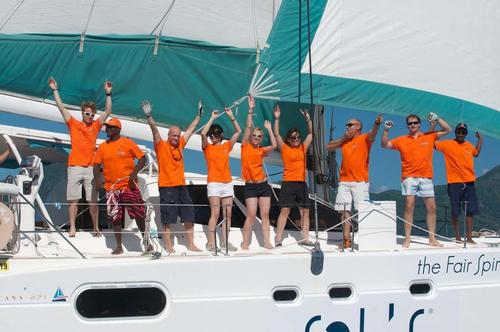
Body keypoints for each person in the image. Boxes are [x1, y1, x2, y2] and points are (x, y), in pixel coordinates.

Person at [48, 78, 112, 237]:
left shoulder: (96, 126)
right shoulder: (74, 124)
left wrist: (108, 93)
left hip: (90, 168)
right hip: (75, 166)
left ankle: (96, 227)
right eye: (87, 113)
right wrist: (55, 90)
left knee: (93, 201)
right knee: (73, 200)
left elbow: (108, 111)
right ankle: (72, 227)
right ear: (83, 113)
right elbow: (61, 108)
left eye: (92, 114)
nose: (90, 116)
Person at [381, 112, 451, 248]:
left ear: (419, 124)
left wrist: (438, 118)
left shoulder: (429, 136)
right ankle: (407, 238)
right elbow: (384, 145)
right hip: (409, 177)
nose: (412, 125)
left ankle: (432, 238)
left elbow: (448, 129)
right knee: (409, 205)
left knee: (432, 207)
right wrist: (386, 130)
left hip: (426, 177)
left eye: (415, 123)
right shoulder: (401, 139)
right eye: (410, 123)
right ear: (407, 126)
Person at [142, 101, 202, 253]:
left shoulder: (180, 144)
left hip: (181, 186)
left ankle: (191, 244)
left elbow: (191, 129)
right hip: (167, 187)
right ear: (168, 135)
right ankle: (168, 246)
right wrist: (149, 115)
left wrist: (199, 115)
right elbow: (154, 130)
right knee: (168, 218)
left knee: (189, 215)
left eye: (177, 135)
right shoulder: (161, 146)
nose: (176, 137)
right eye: (173, 135)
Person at [93, 118, 148, 255]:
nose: (108, 129)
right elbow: (96, 165)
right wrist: (98, 179)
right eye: (107, 127)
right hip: (111, 188)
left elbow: (143, 158)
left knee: (139, 214)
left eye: (112, 127)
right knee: (115, 217)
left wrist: (134, 173)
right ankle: (119, 246)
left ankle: (147, 243)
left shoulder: (127, 142)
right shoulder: (102, 147)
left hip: (128, 186)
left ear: (118, 129)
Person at [327, 114, 382, 249]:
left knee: (363, 210)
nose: (347, 127)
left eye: (350, 125)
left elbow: (373, 133)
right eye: (346, 125)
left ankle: (368, 239)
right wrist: (344, 138)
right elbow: (328, 146)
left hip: (360, 181)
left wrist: (377, 123)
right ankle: (346, 240)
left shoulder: (365, 138)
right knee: (344, 210)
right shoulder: (344, 141)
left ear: (358, 127)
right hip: (344, 181)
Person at [201, 107, 241, 252]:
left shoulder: (226, 146)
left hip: (227, 183)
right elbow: (202, 133)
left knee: (228, 214)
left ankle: (225, 242)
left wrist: (231, 116)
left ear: (221, 135)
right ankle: (211, 243)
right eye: (212, 134)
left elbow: (238, 132)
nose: (213, 136)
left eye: (216, 134)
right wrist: (212, 118)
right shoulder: (207, 148)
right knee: (216, 213)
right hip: (214, 183)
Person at [273, 105, 314, 247]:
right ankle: (278, 238)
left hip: (302, 183)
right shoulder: (285, 148)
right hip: (288, 183)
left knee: (305, 212)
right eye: (293, 138)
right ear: (289, 139)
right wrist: (277, 118)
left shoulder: (303, 147)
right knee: (285, 210)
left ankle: (305, 238)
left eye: (297, 137)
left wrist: (308, 119)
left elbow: (310, 134)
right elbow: (277, 134)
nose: (296, 139)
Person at [435, 123, 483, 244]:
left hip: (470, 182)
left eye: (463, 132)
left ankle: (469, 237)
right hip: (454, 183)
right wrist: (435, 129)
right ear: (455, 132)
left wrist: (480, 139)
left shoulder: (469, 146)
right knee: (455, 211)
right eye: (459, 132)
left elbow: (476, 153)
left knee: (470, 211)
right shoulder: (447, 144)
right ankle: (457, 236)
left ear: (466, 134)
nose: (461, 134)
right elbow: (433, 143)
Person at [240, 95, 277, 250]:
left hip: (263, 186)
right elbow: (248, 127)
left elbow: (274, 145)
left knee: (265, 215)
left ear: (261, 139)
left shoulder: (262, 150)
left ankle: (267, 242)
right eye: (254, 135)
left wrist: (269, 129)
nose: (255, 137)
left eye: (258, 136)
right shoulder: (244, 146)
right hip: (250, 186)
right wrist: (251, 109)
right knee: (250, 214)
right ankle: (245, 242)